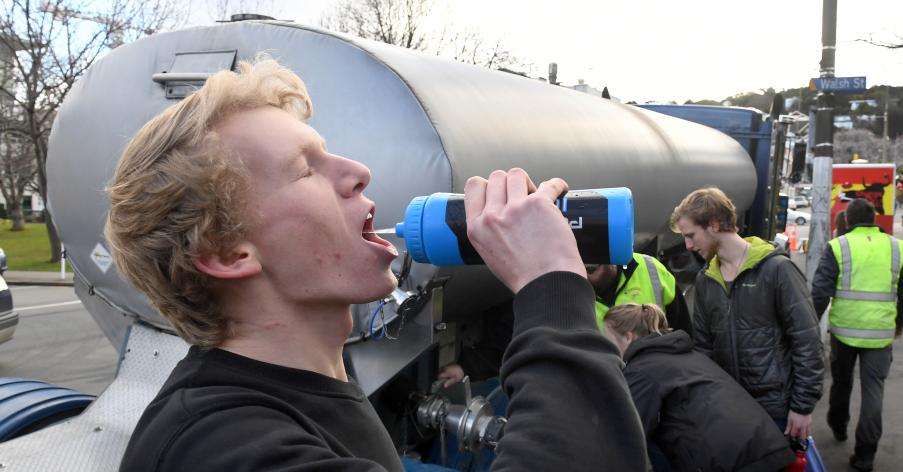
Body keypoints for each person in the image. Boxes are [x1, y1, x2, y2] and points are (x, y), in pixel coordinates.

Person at [107, 57, 649, 471]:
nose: (358, 171)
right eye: (305, 169)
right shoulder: (224, 446)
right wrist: (550, 287)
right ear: (227, 254)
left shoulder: (308, 388)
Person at [670, 187, 824, 439]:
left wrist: (802, 406)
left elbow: (807, 340)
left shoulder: (777, 269)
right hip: (731, 407)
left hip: (776, 409)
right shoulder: (706, 280)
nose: (687, 246)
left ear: (714, 225)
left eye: (691, 235)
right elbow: (704, 349)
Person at [438, 251, 691, 387]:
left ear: (613, 261)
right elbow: (515, 336)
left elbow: (682, 333)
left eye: (591, 270)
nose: (584, 277)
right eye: (578, 268)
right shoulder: (563, 285)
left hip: (656, 386)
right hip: (599, 392)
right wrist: (466, 367)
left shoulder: (651, 270)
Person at [602, 302, 797, 472]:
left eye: (607, 339)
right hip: (762, 447)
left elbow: (628, 433)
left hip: (735, 460)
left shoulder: (642, 368)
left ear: (628, 337)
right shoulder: (682, 353)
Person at [811, 198, 903, 472]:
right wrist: (901, 321)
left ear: (848, 221)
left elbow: (820, 290)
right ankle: (865, 455)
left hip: (844, 331)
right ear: (875, 219)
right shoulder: (897, 247)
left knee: (842, 382)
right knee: (874, 391)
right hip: (881, 334)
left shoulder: (838, 246)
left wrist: (811, 324)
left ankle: (838, 424)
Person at [587, 253, 691, 334]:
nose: (582, 275)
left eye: (590, 269)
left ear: (611, 262)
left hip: (658, 359)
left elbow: (683, 330)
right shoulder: (573, 285)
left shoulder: (650, 268)